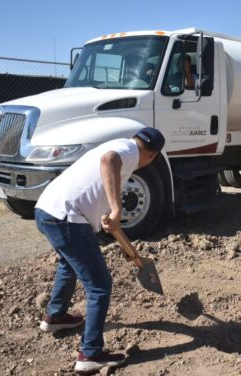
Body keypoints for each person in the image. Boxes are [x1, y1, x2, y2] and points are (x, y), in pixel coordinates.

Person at [34, 127, 165, 373]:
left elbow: (100, 205)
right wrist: (117, 209)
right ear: (153, 156)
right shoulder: (128, 152)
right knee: (99, 285)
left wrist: (124, 243)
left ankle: (55, 317)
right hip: (66, 218)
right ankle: (90, 354)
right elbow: (109, 161)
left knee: (68, 263)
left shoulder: (118, 144)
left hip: (47, 211)